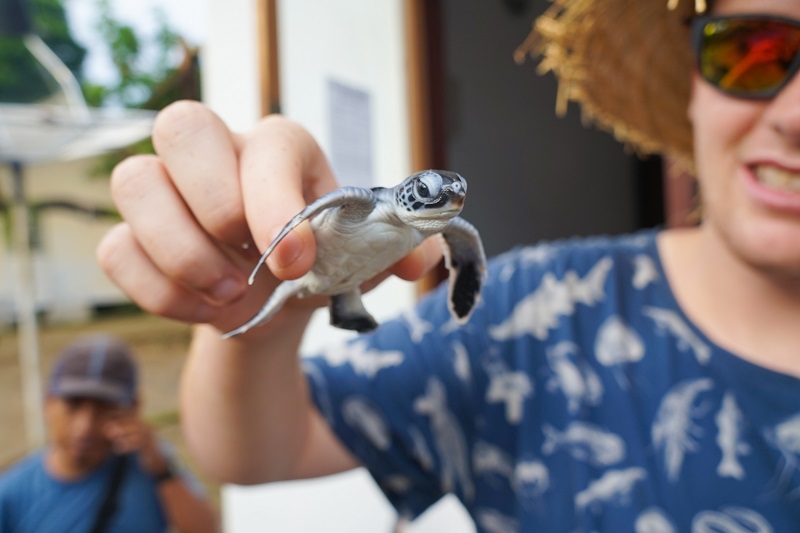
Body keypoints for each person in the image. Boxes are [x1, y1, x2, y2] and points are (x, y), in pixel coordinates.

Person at [95, 0, 800, 530]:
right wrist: (252, 286)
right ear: (693, 81)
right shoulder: (534, 315)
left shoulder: (476, 259)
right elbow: (251, 453)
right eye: (755, 50)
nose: (794, 114)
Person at [0, 334, 220, 533]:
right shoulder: (10, 492)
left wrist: (162, 470)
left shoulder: (151, 467)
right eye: (73, 406)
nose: (85, 426)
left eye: (104, 409)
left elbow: (206, 529)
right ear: (48, 403)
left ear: (133, 408)